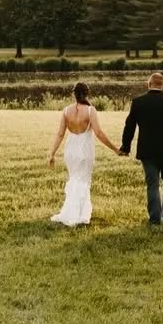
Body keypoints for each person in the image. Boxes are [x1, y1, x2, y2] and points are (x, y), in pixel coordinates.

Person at [48, 82, 121, 227]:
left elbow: (60, 134)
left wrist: (52, 153)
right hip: (84, 150)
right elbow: (99, 133)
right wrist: (115, 149)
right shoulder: (90, 110)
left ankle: (71, 211)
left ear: (73, 94)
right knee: (83, 180)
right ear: (86, 94)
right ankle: (79, 214)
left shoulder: (66, 111)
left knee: (74, 178)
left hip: (70, 150)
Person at [119, 72, 163, 226]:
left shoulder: (138, 102)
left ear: (148, 84)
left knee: (152, 183)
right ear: (162, 85)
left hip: (147, 150)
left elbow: (129, 126)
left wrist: (126, 146)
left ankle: (155, 219)